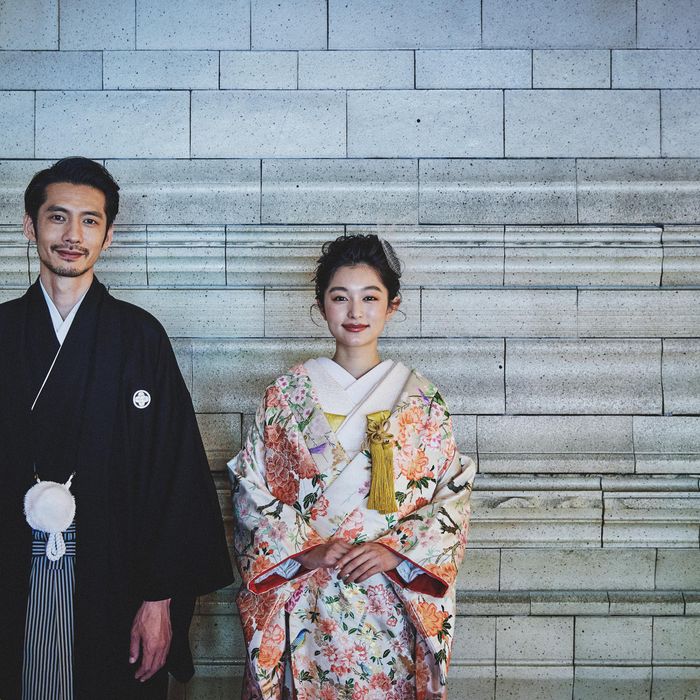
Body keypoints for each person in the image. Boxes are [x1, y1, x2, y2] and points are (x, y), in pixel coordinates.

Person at [0, 157, 233, 700]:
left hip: (118, 577)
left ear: (108, 236)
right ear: (30, 226)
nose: (72, 235)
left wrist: (160, 600)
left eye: (90, 221)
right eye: (57, 217)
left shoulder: (139, 337)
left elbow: (175, 476)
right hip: (11, 571)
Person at [229, 234, 477, 700]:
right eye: (340, 297)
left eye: (370, 297)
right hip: (307, 589)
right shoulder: (287, 395)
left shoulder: (421, 400)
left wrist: (395, 553)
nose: (355, 312)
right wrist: (307, 550)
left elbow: (452, 496)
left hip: (390, 594)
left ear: (392, 305)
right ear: (321, 306)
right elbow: (250, 489)